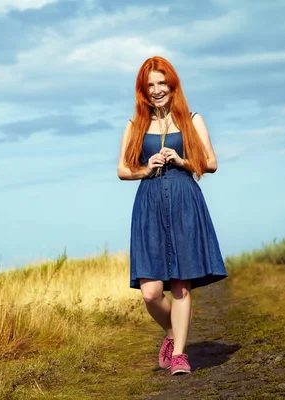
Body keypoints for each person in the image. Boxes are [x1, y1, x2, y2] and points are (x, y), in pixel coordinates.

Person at [117, 56, 228, 375]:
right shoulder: (134, 125)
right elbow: (122, 170)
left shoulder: (192, 119)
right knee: (151, 292)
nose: (156, 90)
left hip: (183, 200)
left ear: (172, 84)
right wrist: (144, 168)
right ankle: (171, 331)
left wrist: (181, 161)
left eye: (161, 83)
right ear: (143, 90)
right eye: (149, 85)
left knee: (181, 284)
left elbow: (211, 163)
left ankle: (179, 354)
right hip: (150, 203)